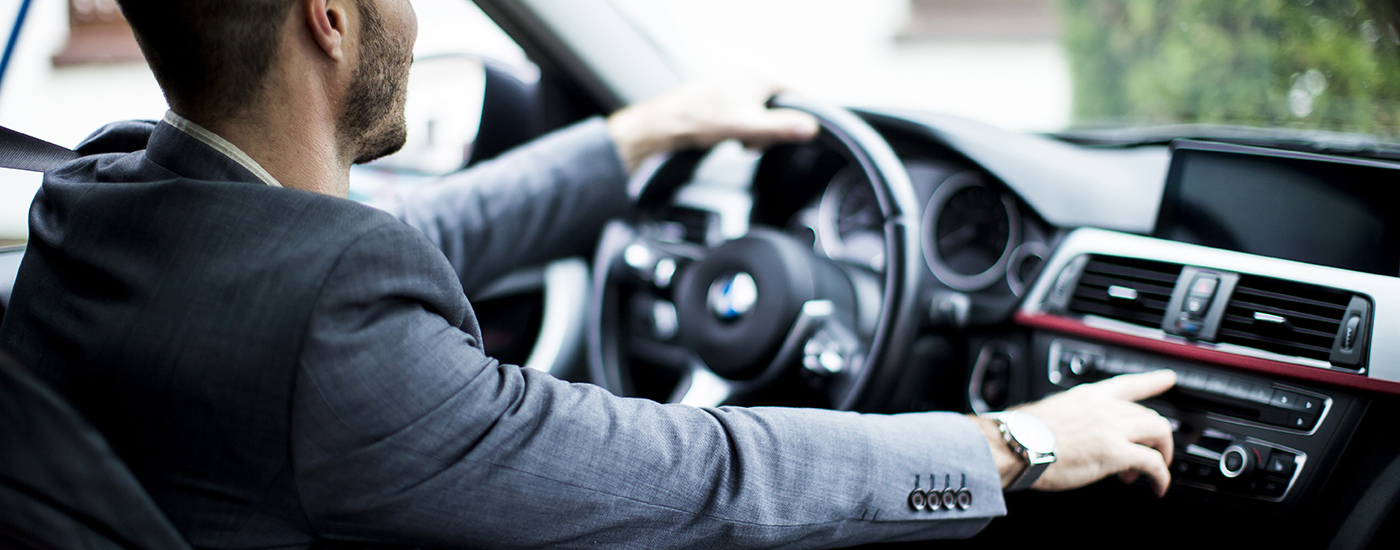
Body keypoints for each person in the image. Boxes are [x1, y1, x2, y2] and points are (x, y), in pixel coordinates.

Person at [0, 0, 1177, 547]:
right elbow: (696, 477)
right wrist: (1009, 445)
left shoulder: (106, 200)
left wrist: (640, 134)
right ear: (331, 18)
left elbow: (429, 234)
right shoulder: (332, 322)